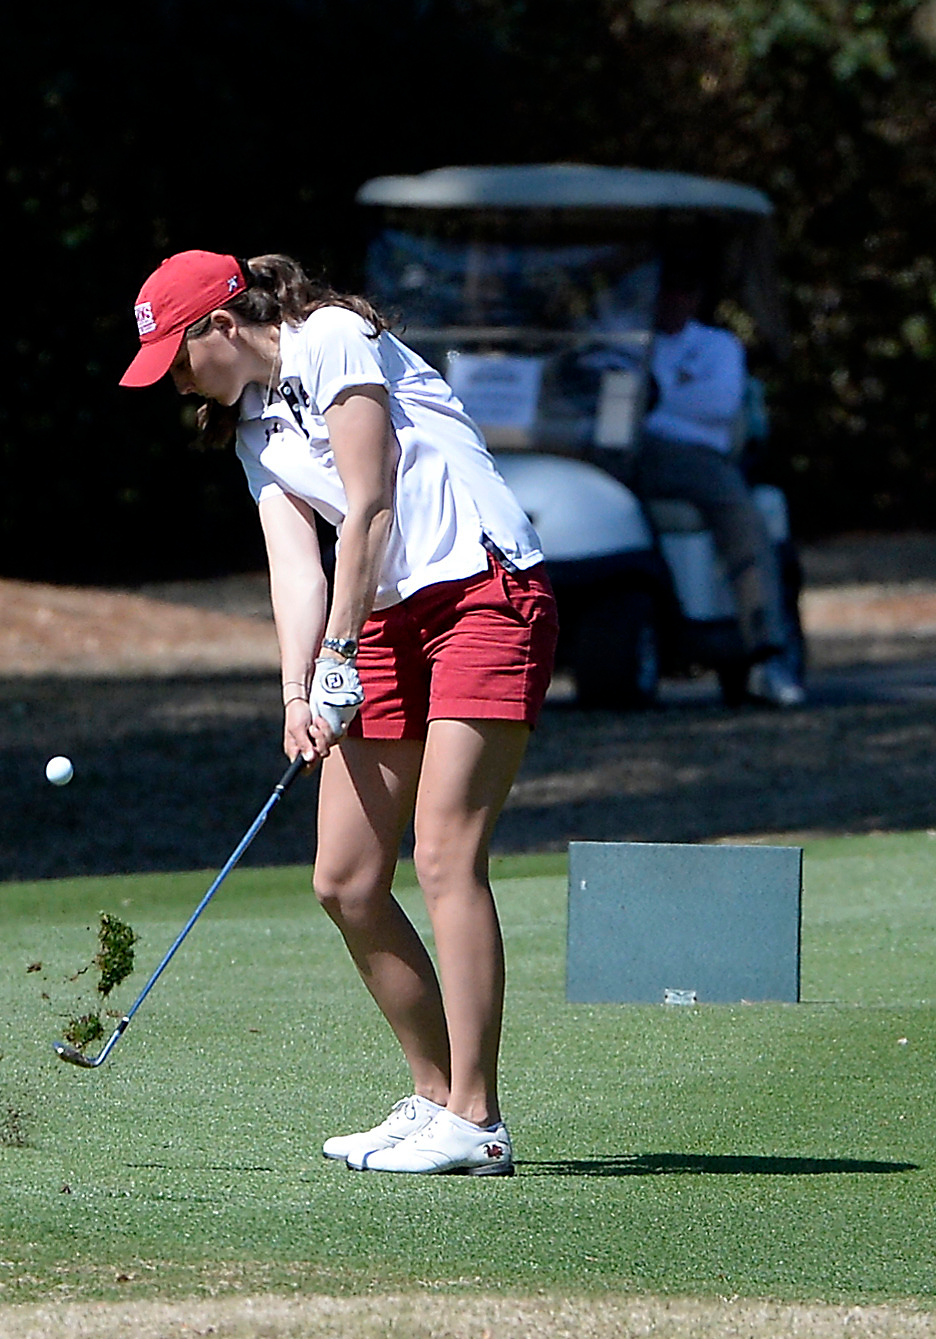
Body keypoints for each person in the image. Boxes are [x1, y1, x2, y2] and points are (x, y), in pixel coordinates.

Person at [119, 250, 558, 1176]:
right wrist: (294, 692)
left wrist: (337, 655)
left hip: (484, 592)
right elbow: (297, 565)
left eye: (178, 359)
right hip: (387, 618)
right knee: (347, 879)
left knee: (442, 852)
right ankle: (433, 1095)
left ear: (222, 326)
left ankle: (477, 1121)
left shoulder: (333, 338)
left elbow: (372, 506)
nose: (178, 382)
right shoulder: (249, 431)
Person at [635, 264, 805, 706]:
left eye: (683, 290)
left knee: (739, 513)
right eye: (664, 290)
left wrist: (651, 406)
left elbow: (717, 404)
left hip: (695, 456)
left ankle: (767, 647)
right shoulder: (624, 344)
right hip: (622, 452)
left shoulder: (716, 346)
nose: (673, 300)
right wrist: (664, 405)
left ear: (695, 297)